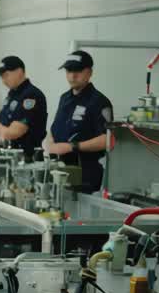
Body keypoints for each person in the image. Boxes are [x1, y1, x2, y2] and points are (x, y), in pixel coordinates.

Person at [46, 49, 115, 193]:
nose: (72, 75)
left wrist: (72, 146)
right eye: (68, 71)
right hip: (59, 171)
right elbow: (54, 130)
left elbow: (108, 140)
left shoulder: (99, 102)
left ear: (89, 72)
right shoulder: (64, 98)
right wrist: (50, 144)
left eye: (77, 70)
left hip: (85, 176)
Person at [0, 55, 47, 160]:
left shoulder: (31, 95)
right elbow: (2, 125)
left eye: (6, 75)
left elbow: (13, 132)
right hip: (10, 156)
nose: (4, 80)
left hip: (27, 159)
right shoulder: (12, 95)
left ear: (19, 72)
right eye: (2, 77)